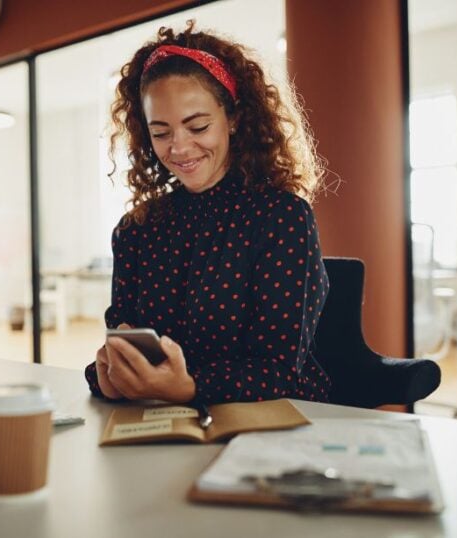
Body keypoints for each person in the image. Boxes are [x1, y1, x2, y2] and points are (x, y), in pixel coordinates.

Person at [84, 22, 330, 405]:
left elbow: (278, 370)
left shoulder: (281, 218)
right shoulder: (136, 229)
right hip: (164, 419)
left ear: (233, 118)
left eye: (197, 126)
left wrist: (190, 387)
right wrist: (111, 377)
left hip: (271, 419)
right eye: (161, 133)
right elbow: (125, 342)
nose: (179, 148)